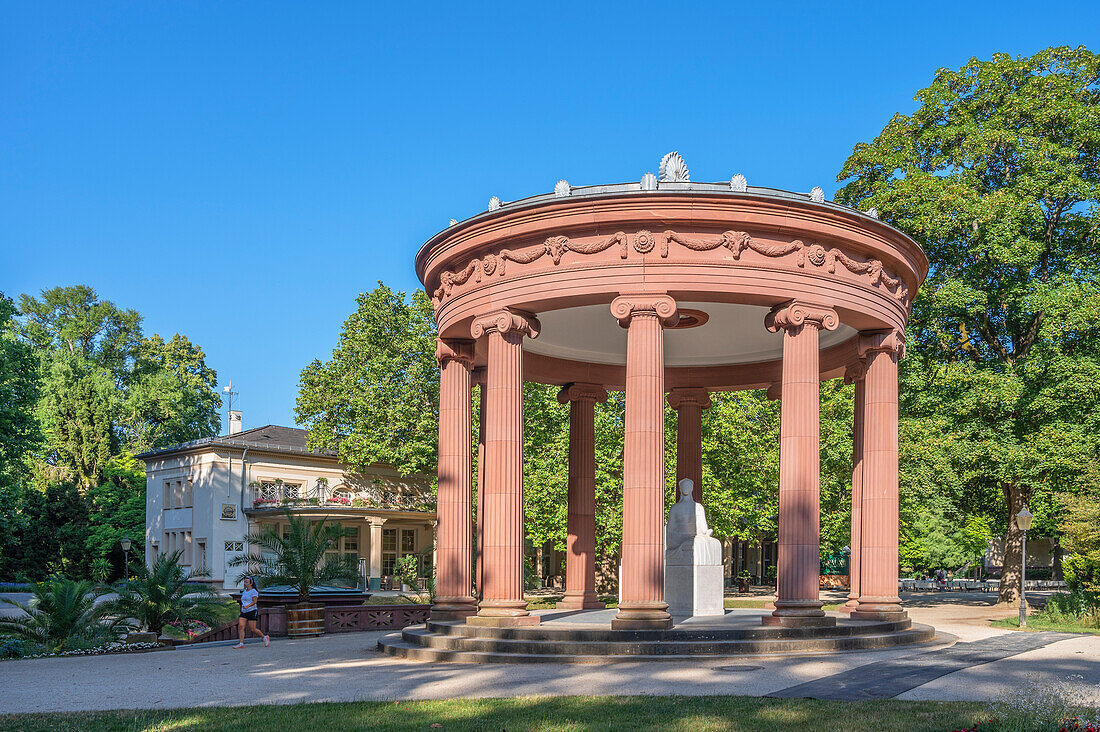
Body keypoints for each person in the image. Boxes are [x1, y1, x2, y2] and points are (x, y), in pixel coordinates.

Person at [234, 576, 270, 649]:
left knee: (253, 629)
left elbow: (255, 601)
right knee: (240, 627)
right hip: (244, 612)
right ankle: (241, 644)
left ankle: (265, 637)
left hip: (252, 611)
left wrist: (248, 606)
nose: (245, 583)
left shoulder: (254, 591)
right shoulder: (244, 591)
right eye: (244, 582)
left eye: (247, 582)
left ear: (251, 583)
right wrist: (244, 607)